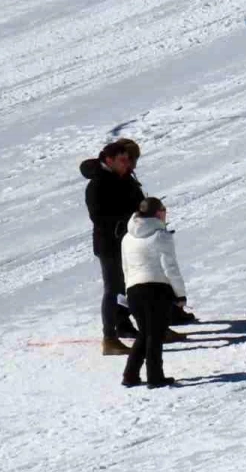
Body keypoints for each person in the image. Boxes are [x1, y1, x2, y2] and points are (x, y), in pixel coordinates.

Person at [81, 139, 145, 355]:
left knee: (131, 286)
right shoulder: (98, 184)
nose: (128, 164)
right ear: (109, 160)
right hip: (110, 245)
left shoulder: (124, 178)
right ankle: (109, 338)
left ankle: (127, 325)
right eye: (123, 160)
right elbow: (99, 217)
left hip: (129, 241)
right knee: (113, 288)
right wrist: (128, 220)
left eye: (129, 159)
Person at [119, 198, 187, 388]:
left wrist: (127, 291)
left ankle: (130, 375)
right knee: (155, 335)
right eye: (164, 210)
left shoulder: (127, 238)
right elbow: (170, 267)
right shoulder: (161, 235)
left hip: (134, 290)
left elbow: (125, 268)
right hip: (156, 290)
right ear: (158, 213)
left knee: (144, 333)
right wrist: (180, 295)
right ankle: (155, 377)